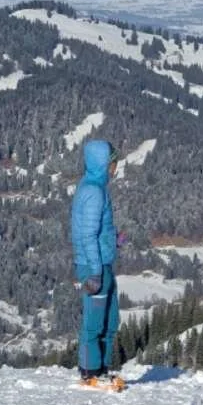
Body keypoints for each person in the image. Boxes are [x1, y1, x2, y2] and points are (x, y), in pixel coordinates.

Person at [71, 139, 120, 383]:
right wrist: (95, 273)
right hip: (94, 268)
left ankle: (101, 368)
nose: (116, 167)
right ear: (103, 164)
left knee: (111, 320)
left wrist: (113, 240)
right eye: (113, 162)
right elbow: (87, 235)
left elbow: (97, 231)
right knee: (94, 322)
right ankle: (89, 370)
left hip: (102, 263)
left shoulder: (96, 187)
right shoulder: (93, 192)